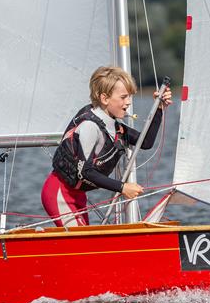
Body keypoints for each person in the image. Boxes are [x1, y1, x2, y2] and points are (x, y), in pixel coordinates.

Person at [41, 66, 172, 227]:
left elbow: (145, 143)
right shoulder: (90, 126)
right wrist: (123, 187)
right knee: (83, 243)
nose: (128, 102)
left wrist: (159, 109)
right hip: (60, 192)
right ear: (105, 99)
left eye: (129, 97)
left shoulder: (115, 126)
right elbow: (85, 172)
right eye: (123, 97)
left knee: (85, 243)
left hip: (78, 195)